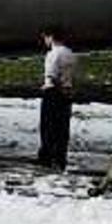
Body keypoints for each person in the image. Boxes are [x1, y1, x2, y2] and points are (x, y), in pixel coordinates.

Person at [37, 25, 76, 171]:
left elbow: (52, 75)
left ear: (51, 37)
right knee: (62, 127)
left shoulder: (53, 54)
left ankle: (47, 156)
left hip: (53, 92)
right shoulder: (70, 53)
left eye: (46, 38)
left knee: (48, 126)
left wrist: (52, 86)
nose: (45, 41)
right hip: (67, 92)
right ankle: (61, 158)